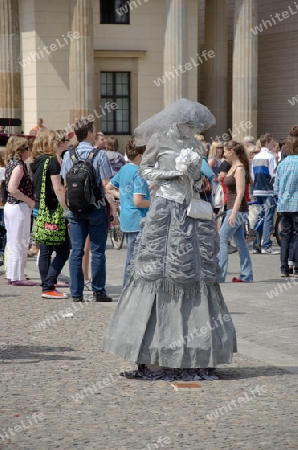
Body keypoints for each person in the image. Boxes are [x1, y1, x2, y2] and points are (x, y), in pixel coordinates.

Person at [102, 98, 237, 380]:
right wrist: (173, 172)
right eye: (190, 125)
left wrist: (197, 180)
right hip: (165, 209)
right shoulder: (159, 140)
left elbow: (200, 181)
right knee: (157, 272)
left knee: (194, 274)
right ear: (177, 121)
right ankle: (154, 354)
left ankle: (193, 353)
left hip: (190, 212)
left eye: (197, 126)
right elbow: (145, 170)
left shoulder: (195, 146)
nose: (194, 130)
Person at [61, 117, 115, 302]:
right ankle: (98, 291)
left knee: (77, 251)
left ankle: (76, 294)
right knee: (98, 250)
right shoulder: (99, 154)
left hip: (75, 209)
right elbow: (106, 183)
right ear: (90, 133)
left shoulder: (69, 155)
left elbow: (65, 183)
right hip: (96, 207)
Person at [30, 130, 70, 298]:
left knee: (45, 251)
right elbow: (58, 188)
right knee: (63, 250)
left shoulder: (36, 161)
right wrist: (67, 210)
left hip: (39, 210)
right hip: (52, 211)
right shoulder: (52, 161)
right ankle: (48, 285)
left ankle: (46, 287)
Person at [106, 138, 150, 287]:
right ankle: (129, 289)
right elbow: (138, 201)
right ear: (139, 155)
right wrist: (155, 203)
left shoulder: (124, 169)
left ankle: (130, 288)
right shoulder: (138, 173)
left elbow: (109, 187)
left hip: (127, 218)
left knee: (133, 257)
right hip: (138, 220)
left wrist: (123, 195)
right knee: (134, 259)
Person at [218, 141, 253, 283]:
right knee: (240, 244)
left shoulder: (239, 169)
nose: (224, 153)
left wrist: (233, 213)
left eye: (226, 151)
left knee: (222, 238)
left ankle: (219, 275)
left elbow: (240, 194)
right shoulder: (233, 167)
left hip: (237, 210)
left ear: (232, 152)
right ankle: (246, 275)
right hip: (233, 209)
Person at [4, 136, 36, 286]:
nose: (29, 151)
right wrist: (29, 201)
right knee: (20, 242)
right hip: (18, 207)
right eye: (27, 148)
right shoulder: (19, 166)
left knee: (13, 241)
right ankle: (17, 276)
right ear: (22, 151)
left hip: (11, 206)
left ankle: (12, 273)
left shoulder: (11, 164)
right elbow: (12, 188)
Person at [274, 126, 298, 277]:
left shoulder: (282, 164)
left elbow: (276, 187)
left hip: (283, 205)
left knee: (285, 235)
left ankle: (284, 268)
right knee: (297, 235)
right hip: (296, 204)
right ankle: (295, 265)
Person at [251, 133, 279, 254]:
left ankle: (256, 244)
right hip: (268, 190)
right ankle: (266, 245)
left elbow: (253, 175)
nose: (273, 143)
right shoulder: (270, 156)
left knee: (260, 216)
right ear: (267, 142)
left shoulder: (256, 157)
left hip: (257, 189)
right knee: (268, 217)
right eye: (271, 141)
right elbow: (274, 174)